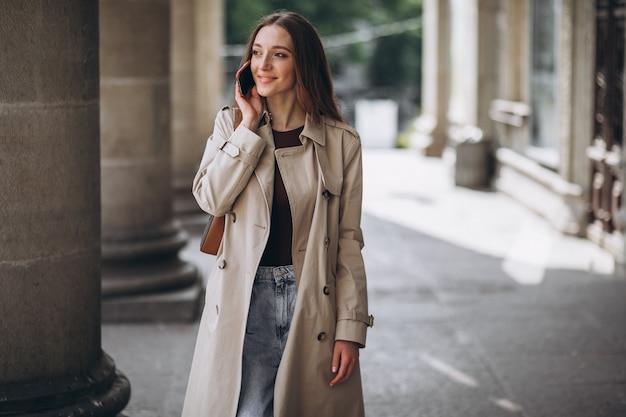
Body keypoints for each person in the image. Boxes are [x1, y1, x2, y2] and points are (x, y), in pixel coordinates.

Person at [182, 10, 373, 417]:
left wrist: (351, 328)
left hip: (312, 298)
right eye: (256, 52)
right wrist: (248, 129)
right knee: (248, 410)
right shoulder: (230, 124)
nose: (263, 65)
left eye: (279, 55)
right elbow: (211, 199)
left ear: (302, 63)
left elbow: (347, 240)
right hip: (247, 298)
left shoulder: (341, 142)